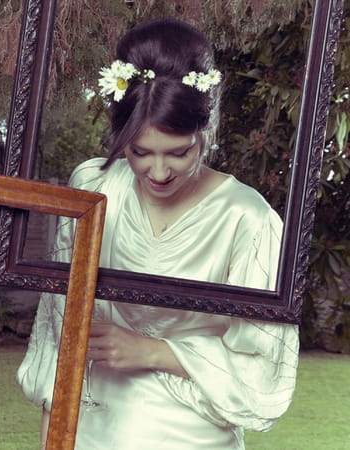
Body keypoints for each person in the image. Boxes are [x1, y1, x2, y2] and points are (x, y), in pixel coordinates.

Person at [17, 17, 299, 449]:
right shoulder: (93, 188)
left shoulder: (249, 220)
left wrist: (154, 351)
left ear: (205, 129)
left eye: (179, 152)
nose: (159, 172)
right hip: (90, 428)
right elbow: (59, 329)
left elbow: (265, 365)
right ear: (119, 136)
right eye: (140, 152)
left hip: (190, 435)